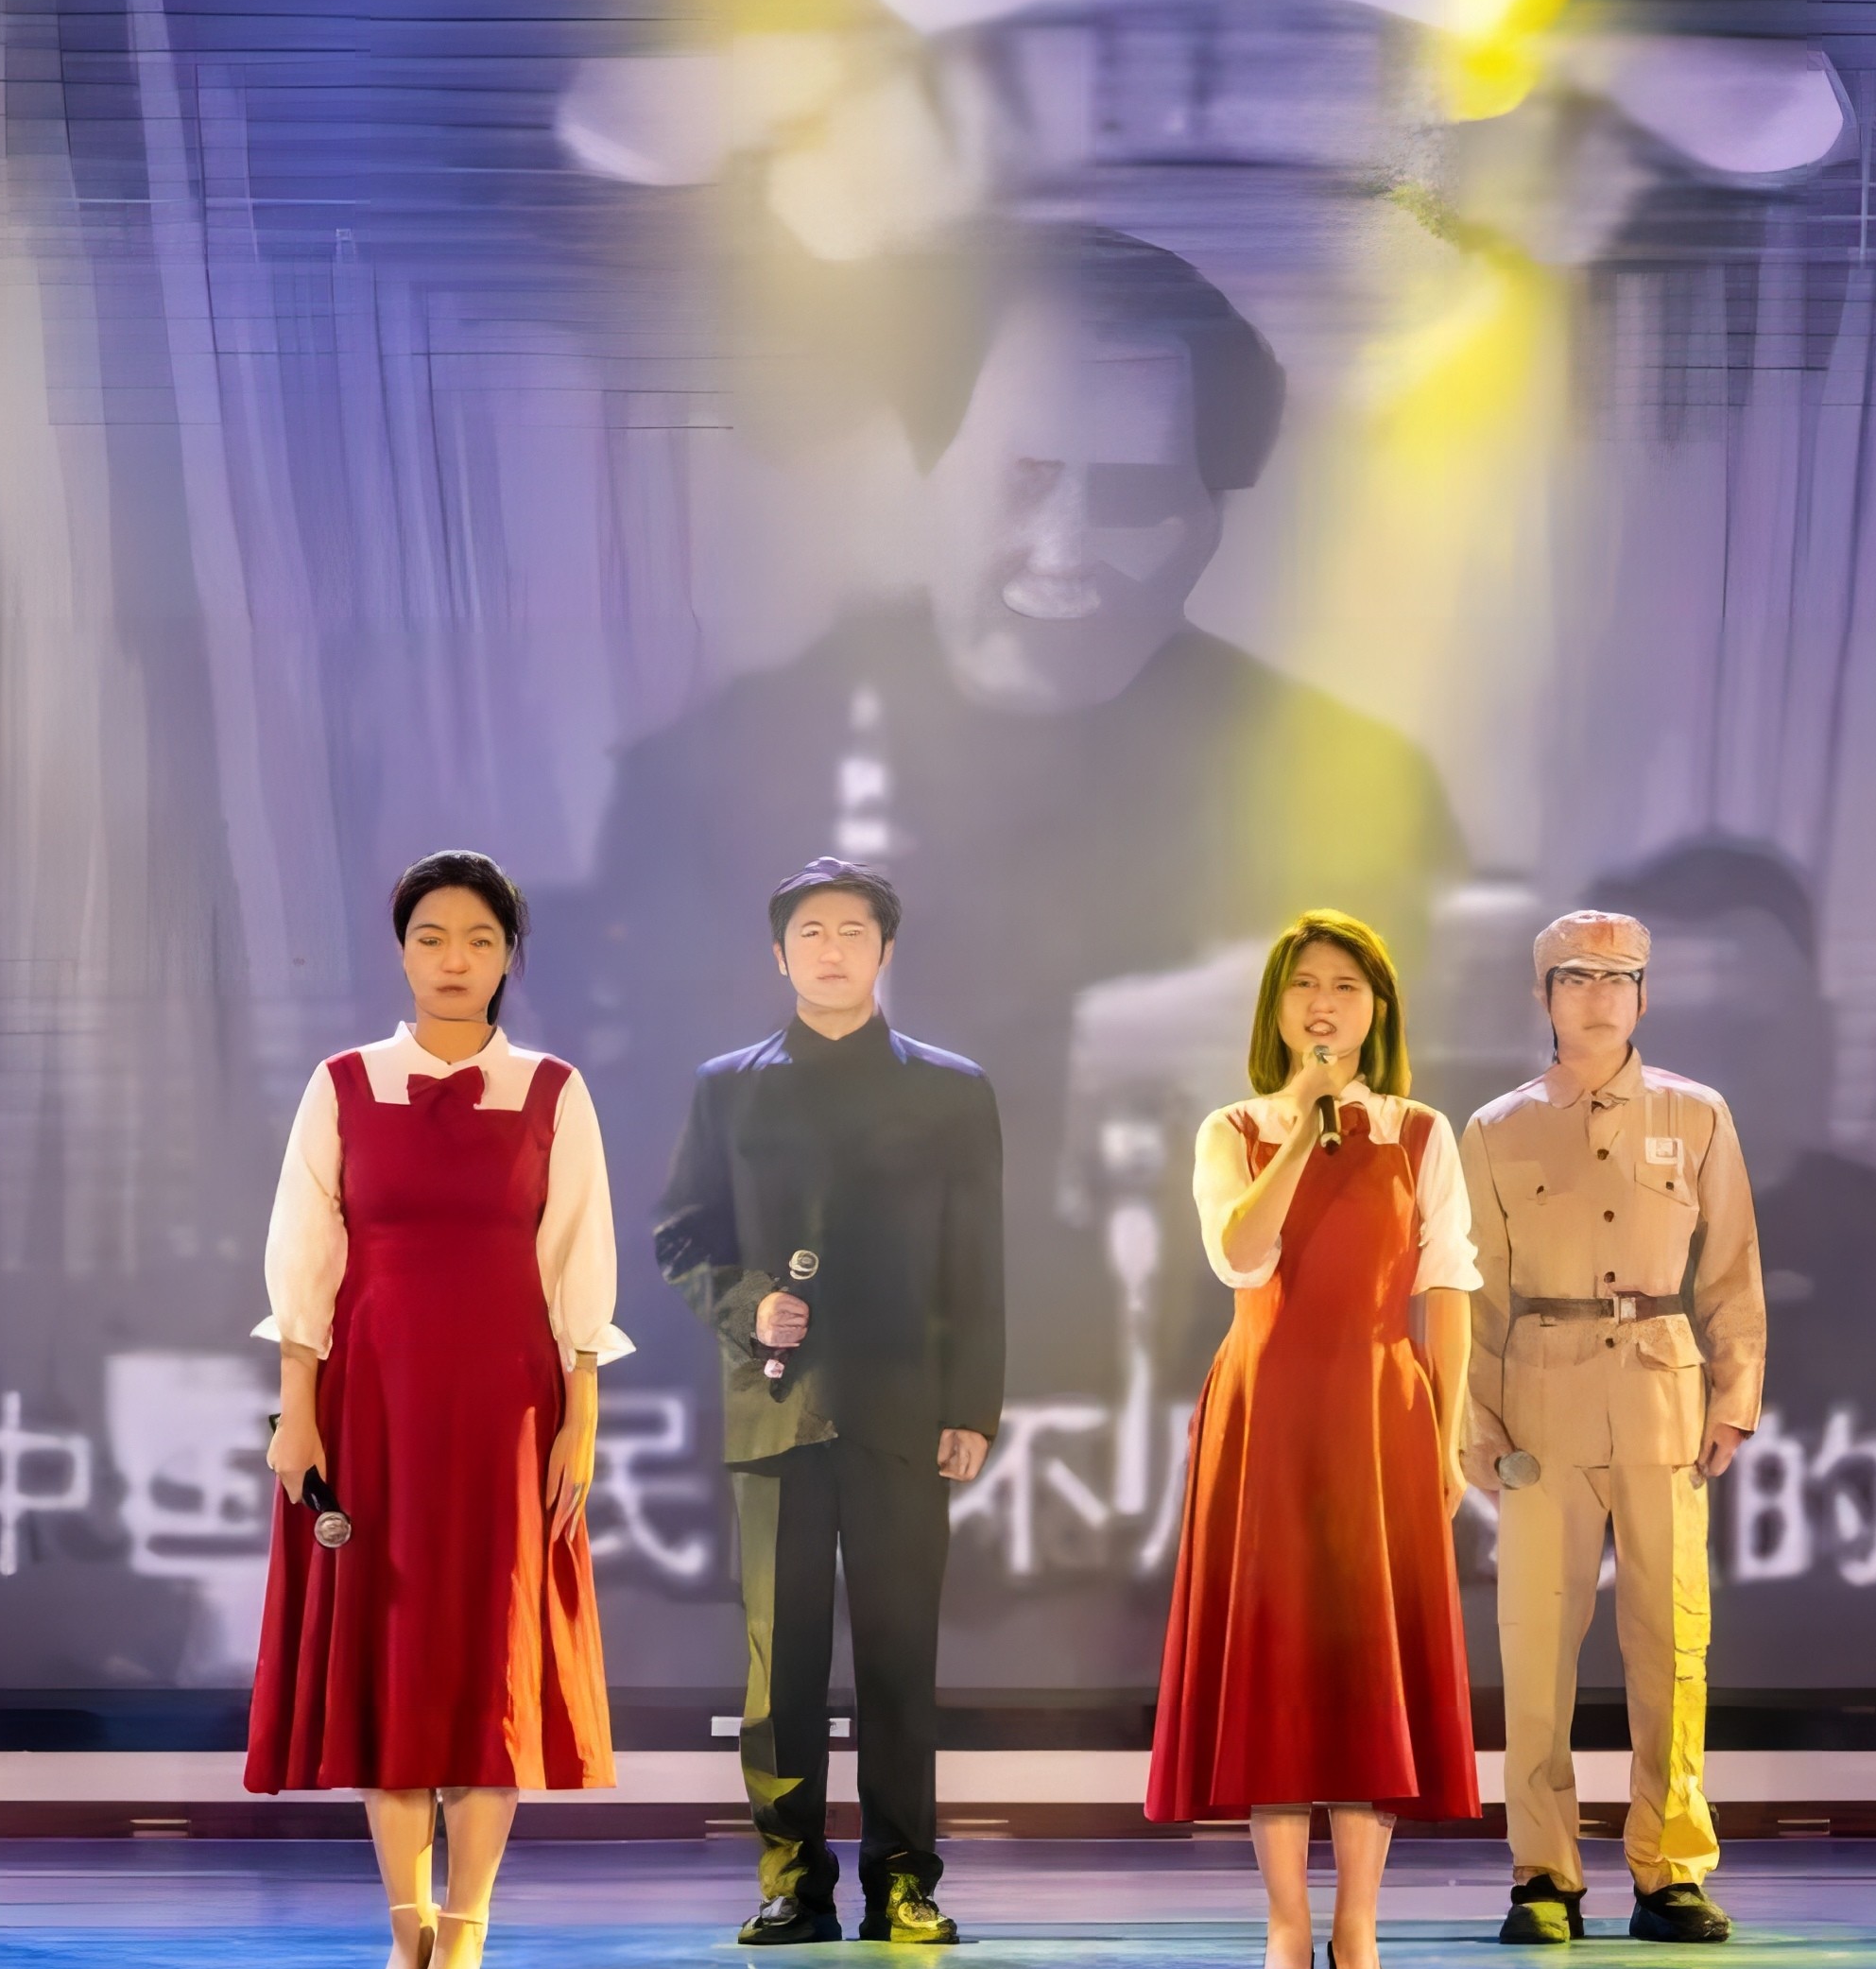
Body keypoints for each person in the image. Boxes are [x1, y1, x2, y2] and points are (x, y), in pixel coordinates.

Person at [563, 230, 1460, 1667]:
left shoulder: (1359, 793)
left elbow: (1404, 1187)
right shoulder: (713, 777)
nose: (1067, 549)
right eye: (1025, 479)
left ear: (1214, 519)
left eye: (1136, 496)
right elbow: (672, 1175)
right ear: (924, 474)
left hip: (1193, 1521)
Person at [250, 853, 623, 1969]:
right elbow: (306, 1257)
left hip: (509, 1410)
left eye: (478, 940)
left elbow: (579, 1263)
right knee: (392, 1660)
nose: (454, 960)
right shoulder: (343, 1084)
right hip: (373, 1403)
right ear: (401, 951)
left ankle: (464, 1947)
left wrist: (581, 1421)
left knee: (487, 1664)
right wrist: (298, 1410)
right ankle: (405, 1941)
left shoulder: (554, 1091)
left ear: (509, 957)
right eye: (430, 938)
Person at [650, 857, 1005, 1946]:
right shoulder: (730, 1087)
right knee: (781, 1664)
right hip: (779, 1411)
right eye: (811, 932)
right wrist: (749, 1306)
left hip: (906, 1410)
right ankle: (793, 1879)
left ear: (885, 950)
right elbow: (680, 1237)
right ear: (779, 955)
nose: (833, 949)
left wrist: (973, 1408)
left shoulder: (950, 1088)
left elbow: (976, 1262)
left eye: (853, 931)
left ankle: (903, 1879)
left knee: (900, 1657)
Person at [1149, 911, 1482, 1969]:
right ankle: (1286, 1926)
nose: (1325, 1004)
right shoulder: (1232, 1130)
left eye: (1345, 986)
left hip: (1381, 1413)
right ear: (1278, 1010)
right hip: (1267, 1416)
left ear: (1377, 1009)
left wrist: (1447, 1437)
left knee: (1367, 1668)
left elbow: (1449, 1290)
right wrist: (1304, 1127)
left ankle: (1360, 1928)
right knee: (1279, 1668)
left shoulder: (1422, 1133)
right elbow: (1239, 1253)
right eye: (1305, 987)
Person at [1460, 907, 1765, 1947]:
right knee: (1535, 1642)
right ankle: (1543, 1872)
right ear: (1542, 996)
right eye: (1576, 976)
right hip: (1538, 1398)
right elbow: (1476, 1294)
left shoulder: (1698, 1113)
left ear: (1645, 995)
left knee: (1672, 1637)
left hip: (1661, 1391)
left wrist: (1735, 1397)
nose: (1597, 994)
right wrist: (1473, 1418)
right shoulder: (1495, 1129)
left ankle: (1670, 1868)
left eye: (1618, 977)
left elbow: (1731, 1272)